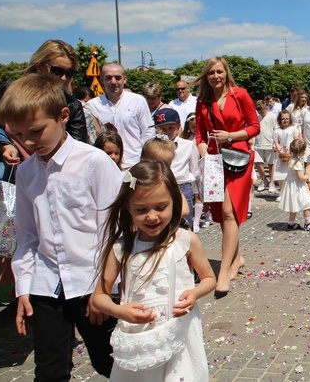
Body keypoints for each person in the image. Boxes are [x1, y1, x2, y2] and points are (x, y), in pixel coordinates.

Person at [0, 74, 123, 379]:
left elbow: (115, 229)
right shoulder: (26, 173)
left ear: (63, 116)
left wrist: (103, 288)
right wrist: (24, 288)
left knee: (111, 362)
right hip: (46, 284)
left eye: (36, 131)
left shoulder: (94, 162)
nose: (28, 142)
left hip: (91, 283)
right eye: (19, 135)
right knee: (49, 370)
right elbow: (27, 236)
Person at [91, 160, 216, 380]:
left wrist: (195, 293)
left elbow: (208, 278)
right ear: (128, 207)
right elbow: (98, 297)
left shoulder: (185, 241)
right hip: (140, 338)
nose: (151, 216)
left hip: (181, 332)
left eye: (160, 207)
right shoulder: (121, 248)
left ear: (174, 202)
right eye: (141, 209)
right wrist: (119, 311)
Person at [194, 57, 259, 299]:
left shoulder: (239, 94)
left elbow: (254, 126)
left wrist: (230, 135)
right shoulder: (202, 102)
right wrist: (204, 157)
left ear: (226, 73)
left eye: (219, 71)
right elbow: (200, 137)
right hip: (213, 162)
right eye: (210, 72)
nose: (215, 76)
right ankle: (237, 259)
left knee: (230, 212)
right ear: (206, 76)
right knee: (222, 216)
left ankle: (223, 270)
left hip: (238, 158)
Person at [89, 63, 155, 168]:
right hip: (105, 165)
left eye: (118, 78)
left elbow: (148, 132)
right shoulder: (92, 105)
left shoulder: (137, 101)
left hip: (134, 163)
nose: (113, 81)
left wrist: (145, 159)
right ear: (102, 80)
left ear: (124, 79)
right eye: (109, 78)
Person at [154, 108, 199, 229]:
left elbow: (194, 170)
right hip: (161, 186)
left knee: (185, 224)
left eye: (170, 128)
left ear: (178, 126)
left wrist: (196, 192)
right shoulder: (153, 146)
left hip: (182, 186)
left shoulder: (188, 145)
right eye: (162, 129)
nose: (167, 132)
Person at [277, 138, 310, 232]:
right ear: (302, 151)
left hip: (291, 186)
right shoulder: (297, 163)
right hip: (298, 187)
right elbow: (300, 177)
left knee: (293, 205)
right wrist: (307, 176)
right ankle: (308, 223)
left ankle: (291, 223)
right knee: (306, 203)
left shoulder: (290, 160)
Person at [254, 100, 278, 193]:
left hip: (269, 143)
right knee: (257, 162)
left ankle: (272, 182)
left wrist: (275, 143)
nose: (261, 113)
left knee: (271, 164)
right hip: (258, 142)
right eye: (259, 111)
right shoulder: (257, 117)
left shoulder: (272, 116)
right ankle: (264, 180)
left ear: (266, 108)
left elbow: (275, 130)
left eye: (262, 111)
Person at [273, 110, 300, 190]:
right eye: (283, 119)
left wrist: (291, 151)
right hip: (281, 154)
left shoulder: (293, 129)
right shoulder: (277, 131)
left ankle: (292, 190)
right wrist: (280, 150)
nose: (285, 120)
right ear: (280, 120)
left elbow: (296, 140)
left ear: (290, 119)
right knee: (280, 173)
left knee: (291, 172)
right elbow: (276, 142)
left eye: (287, 118)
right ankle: (282, 191)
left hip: (291, 153)